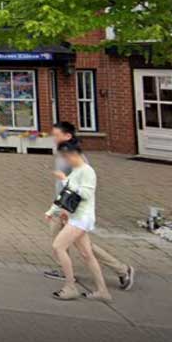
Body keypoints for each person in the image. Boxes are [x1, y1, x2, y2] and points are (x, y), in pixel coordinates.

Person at [42, 121, 135, 290]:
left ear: (68, 136)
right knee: (66, 243)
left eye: (56, 135)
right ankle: (67, 270)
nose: (53, 138)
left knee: (78, 246)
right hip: (62, 205)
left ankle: (121, 269)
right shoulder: (62, 153)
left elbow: (80, 187)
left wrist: (66, 209)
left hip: (70, 209)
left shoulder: (75, 158)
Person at [47, 143, 111, 301]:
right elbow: (66, 194)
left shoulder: (87, 171)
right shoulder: (76, 171)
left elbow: (86, 194)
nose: (65, 160)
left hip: (82, 218)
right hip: (75, 216)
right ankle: (103, 291)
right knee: (87, 254)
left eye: (66, 156)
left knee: (58, 246)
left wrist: (65, 181)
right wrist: (52, 211)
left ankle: (70, 287)